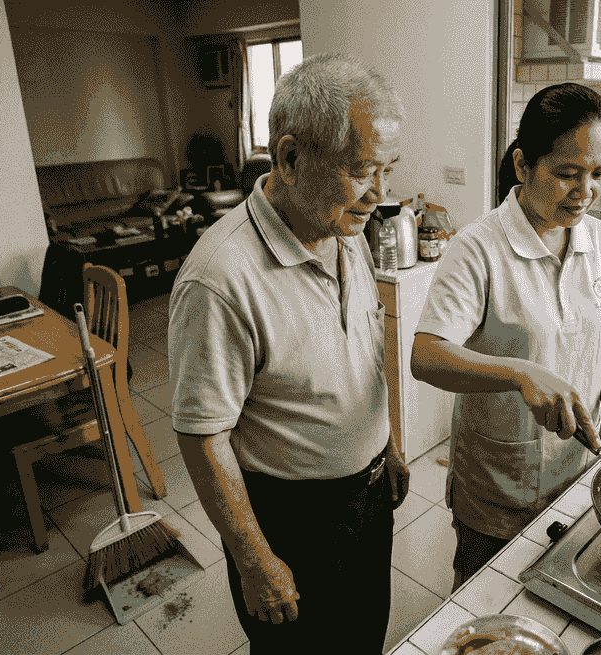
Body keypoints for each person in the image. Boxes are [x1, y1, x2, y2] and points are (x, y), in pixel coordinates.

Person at [168, 53, 408, 653]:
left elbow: (360, 354)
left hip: (368, 495)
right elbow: (202, 434)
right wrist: (254, 561)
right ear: (291, 157)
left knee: (362, 636)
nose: (381, 193)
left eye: (389, 168)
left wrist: (387, 447)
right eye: (363, 169)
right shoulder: (220, 279)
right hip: (293, 523)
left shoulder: (342, 227)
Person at [411, 82, 601, 590]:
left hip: (578, 472)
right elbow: (426, 356)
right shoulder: (478, 248)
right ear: (523, 166)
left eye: (599, 174)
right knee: (484, 608)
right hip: (497, 485)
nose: (585, 190)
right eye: (567, 174)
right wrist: (520, 373)